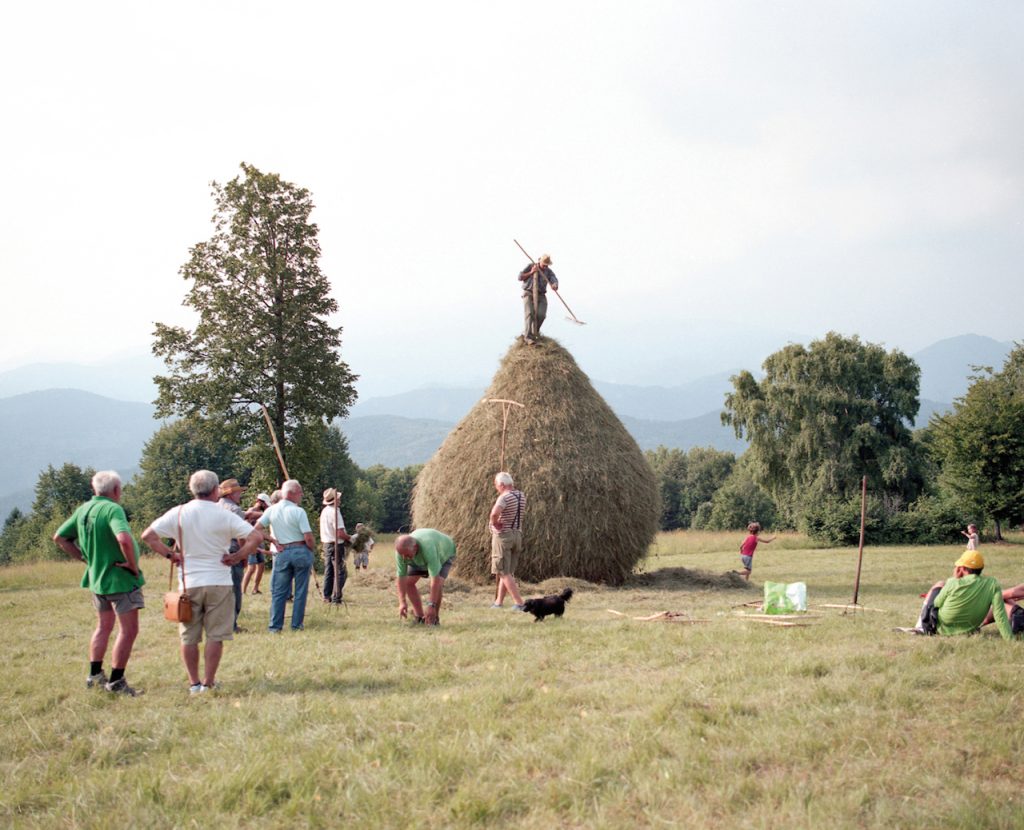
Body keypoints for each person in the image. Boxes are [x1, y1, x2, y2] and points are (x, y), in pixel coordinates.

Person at [141, 470, 264, 693]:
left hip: (189, 582)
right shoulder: (223, 514)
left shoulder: (178, 513)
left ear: (192, 489)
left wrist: (171, 555)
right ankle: (208, 681)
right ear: (216, 490)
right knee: (216, 635)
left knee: (189, 636)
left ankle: (194, 683)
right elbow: (255, 537)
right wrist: (237, 557)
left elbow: (148, 536)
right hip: (219, 580)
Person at [53, 470, 145, 696]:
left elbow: (60, 538)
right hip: (119, 579)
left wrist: (85, 559)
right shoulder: (112, 509)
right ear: (116, 490)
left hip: (97, 579)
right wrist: (132, 565)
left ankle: (94, 675)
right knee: (129, 630)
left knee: (103, 626)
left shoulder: (84, 509)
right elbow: (123, 538)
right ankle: (116, 681)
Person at [910, 551, 1021, 640]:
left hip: (943, 629)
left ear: (962, 568)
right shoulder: (992, 584)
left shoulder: (952, 582)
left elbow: (937, 603)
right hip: (970, 628)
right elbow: (999, 614)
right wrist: (1009, 638)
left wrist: (954, 579)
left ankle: (921, 626)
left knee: (939, 584)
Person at [257, 479, 316, 632]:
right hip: (300, 549)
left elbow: (256, 529)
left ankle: (275, 627)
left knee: (279, 592)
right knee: (300, 591)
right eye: (300, 492)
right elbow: (308, 536)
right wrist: (311, 549)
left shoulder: (272, 510)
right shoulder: (298, 511)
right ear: (292, 493)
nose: (301, 495)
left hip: (282, 551)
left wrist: (272, 540)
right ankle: (296, 625)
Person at [395, 529, 457, 625]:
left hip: (444, 552)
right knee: (408, 583)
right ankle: (420, 617)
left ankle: (433, 619)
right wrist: (402, 602)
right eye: (402, 555)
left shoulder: (429, 548)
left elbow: (435, 580)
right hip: (419, 557)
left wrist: (431, 605)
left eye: (406, 555)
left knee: (438, 584)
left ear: (415, 547)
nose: (404, 558)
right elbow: (401, 577)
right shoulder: (402, 552)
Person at [488, 471, 526, 611]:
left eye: (497, 485)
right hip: (517, 535)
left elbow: (494, 513)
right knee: (508, 571)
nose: (496, 487)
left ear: (502, 485)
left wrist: (494, 522)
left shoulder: (504, 497)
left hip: (503, 536)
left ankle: (520, 603)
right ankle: (498, 602)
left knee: (503, 571)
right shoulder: (521, 496)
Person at [217, 478, 248, 632]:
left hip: (216, 552)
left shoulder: (215, 507)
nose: (239, 496)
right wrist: (243, 555)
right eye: (237, 493)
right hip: (232, 551)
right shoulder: (234, 510)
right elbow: (240, 535)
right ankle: (232, 624)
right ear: (230, 494)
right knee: (235, 589)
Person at [319, 488, 352, 604]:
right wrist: (351, 539)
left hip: (327, 544)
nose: (340, 500)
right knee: (340, 572)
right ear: (335, 500)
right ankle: (336, 597)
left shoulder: (325, 511)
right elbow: (340, 533)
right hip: (336, 545)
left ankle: (326, 596)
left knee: (329, 571)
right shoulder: (335, 512)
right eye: (338, 498)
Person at [518, 253, 558, 344]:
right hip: (528, 292)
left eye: (547, 265)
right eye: (544, 265)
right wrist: (531, 272)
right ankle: (527, 337)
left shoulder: (548, 272)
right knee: (529, 313)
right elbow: (520, 277)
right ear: (540, 262)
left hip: (541, 294)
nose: (545, 267)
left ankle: (534, 333)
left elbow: (554, 279)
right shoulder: (531, 266)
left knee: (541, 315)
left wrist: (554, 285)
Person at [242, 493, 272, 595]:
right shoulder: (251, 512)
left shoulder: (260, 513)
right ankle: (243, 590)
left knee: (261, 566)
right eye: (265, 504)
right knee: (251, 568)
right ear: (260, 502)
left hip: (259, 542)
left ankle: (255, 588)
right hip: (251, 542)